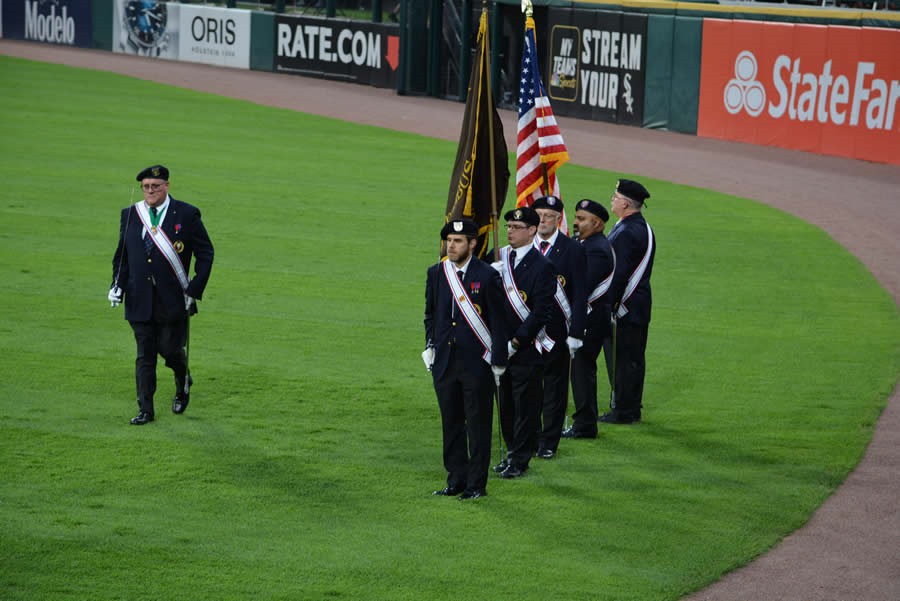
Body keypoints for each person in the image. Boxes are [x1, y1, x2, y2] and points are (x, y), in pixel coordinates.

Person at [109, 165, 214, 425]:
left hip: (173, 298)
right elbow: (122, 256)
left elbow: (206, 253)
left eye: (155, 186)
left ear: (167, 185)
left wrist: (194, 288)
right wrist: (117, 285)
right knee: (145, 354)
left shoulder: (187, 214)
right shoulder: (131, 214)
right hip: (139, 298)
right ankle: (146, 410)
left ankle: (182, 380)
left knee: (169, 350)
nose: (150, 191)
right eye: (146, 186)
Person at [424, 219, 507, 501]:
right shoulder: (436, 273)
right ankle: (455, 479)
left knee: (478, 424)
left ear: (473, 244)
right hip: (445, 363)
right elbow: (430, 314)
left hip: (477, 364)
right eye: (449, 240)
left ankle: (476, 484)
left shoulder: (487, 275)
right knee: (451, 423)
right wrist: (429, 346)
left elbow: (498, 320)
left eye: (458, 240)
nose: (451, 245)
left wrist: (497, 359)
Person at [491, 206, 556, 479]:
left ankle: (520, 458)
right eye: (508, 227)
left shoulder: (543, 266)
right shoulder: (498, 259)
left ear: (531, 230)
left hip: (526, 348)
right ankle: (511, 453)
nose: (510, 231)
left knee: (524, 406)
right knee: (505, 403)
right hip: (499, 344)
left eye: (516, 228)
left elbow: (542, 311)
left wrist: (516, 342)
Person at [530, 196, 587, 458]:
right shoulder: (521, 246)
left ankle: (549, 442)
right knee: (527, 388)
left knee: (554, 388)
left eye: (549, 215)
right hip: (526, 333)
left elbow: (579, 294)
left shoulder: (572, 249)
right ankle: (527, 438)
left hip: (557, 331)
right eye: (539, 214)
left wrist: (575, 332)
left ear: (558, 219)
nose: (542, 220)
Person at [603, 179, 656, 424]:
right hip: (639, 305)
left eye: (615, 196)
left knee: (623, 359)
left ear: (625, 203)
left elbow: (618, 273)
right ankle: (631, 406)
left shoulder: (626, 232)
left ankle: (623, 410)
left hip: (625, 306)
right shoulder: (641, 227)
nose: (612, 199)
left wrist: (609, 304)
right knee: (634, 358)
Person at [563, 199, 615, 439]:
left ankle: (585, 424)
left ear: (597, 223)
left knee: (582, 371)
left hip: (590, 321)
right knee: (578, 371)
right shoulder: (583, 243)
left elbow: (582, 284)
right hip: (587, 318)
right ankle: (584, 421)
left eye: (581, 218)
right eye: (576, 217)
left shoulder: (597, 249)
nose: (575, 222)